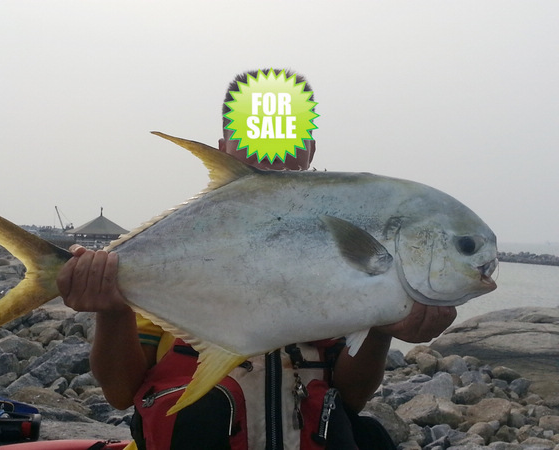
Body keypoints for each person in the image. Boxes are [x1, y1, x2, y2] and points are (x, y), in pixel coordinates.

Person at [57, 69, 457, 449]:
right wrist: (112, 312)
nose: (271, 149)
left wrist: (383, 329)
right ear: (224, 150)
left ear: (309, 150)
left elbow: (349, 397)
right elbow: (121, 393)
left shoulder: (335, 257)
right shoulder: (170, 248)